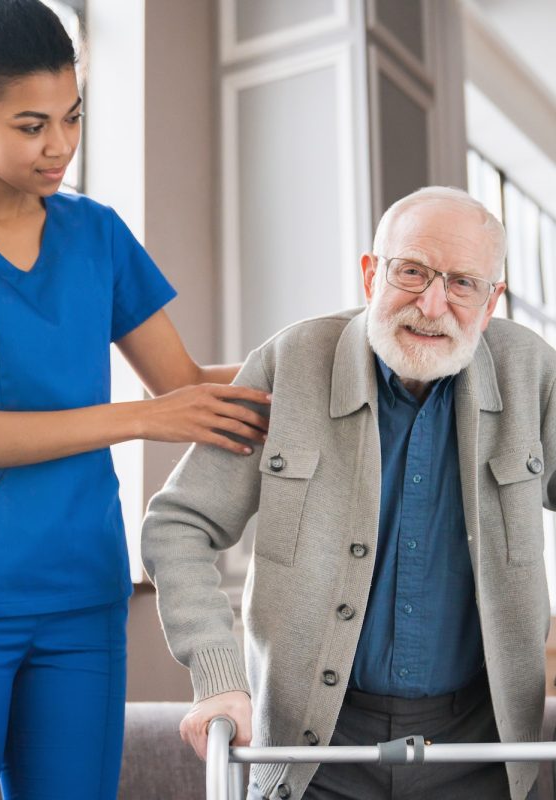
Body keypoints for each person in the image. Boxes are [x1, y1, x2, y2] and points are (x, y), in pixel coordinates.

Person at [142, 185, 556, 800]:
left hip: (482, 749)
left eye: (463, 283)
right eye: (411, 272)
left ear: (491, 299)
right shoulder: (291, 359)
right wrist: (218, 674)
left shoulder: (533, 369)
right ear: (371, 274)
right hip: (311, 753)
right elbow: (179, 523)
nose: (432, 303)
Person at [0, 1, 270, 799]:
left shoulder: (95, 235)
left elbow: (187, 385)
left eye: (72, 116)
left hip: (82, 596)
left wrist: (340, 367)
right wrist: (139, 421)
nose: (59, 145)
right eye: (31, 125)